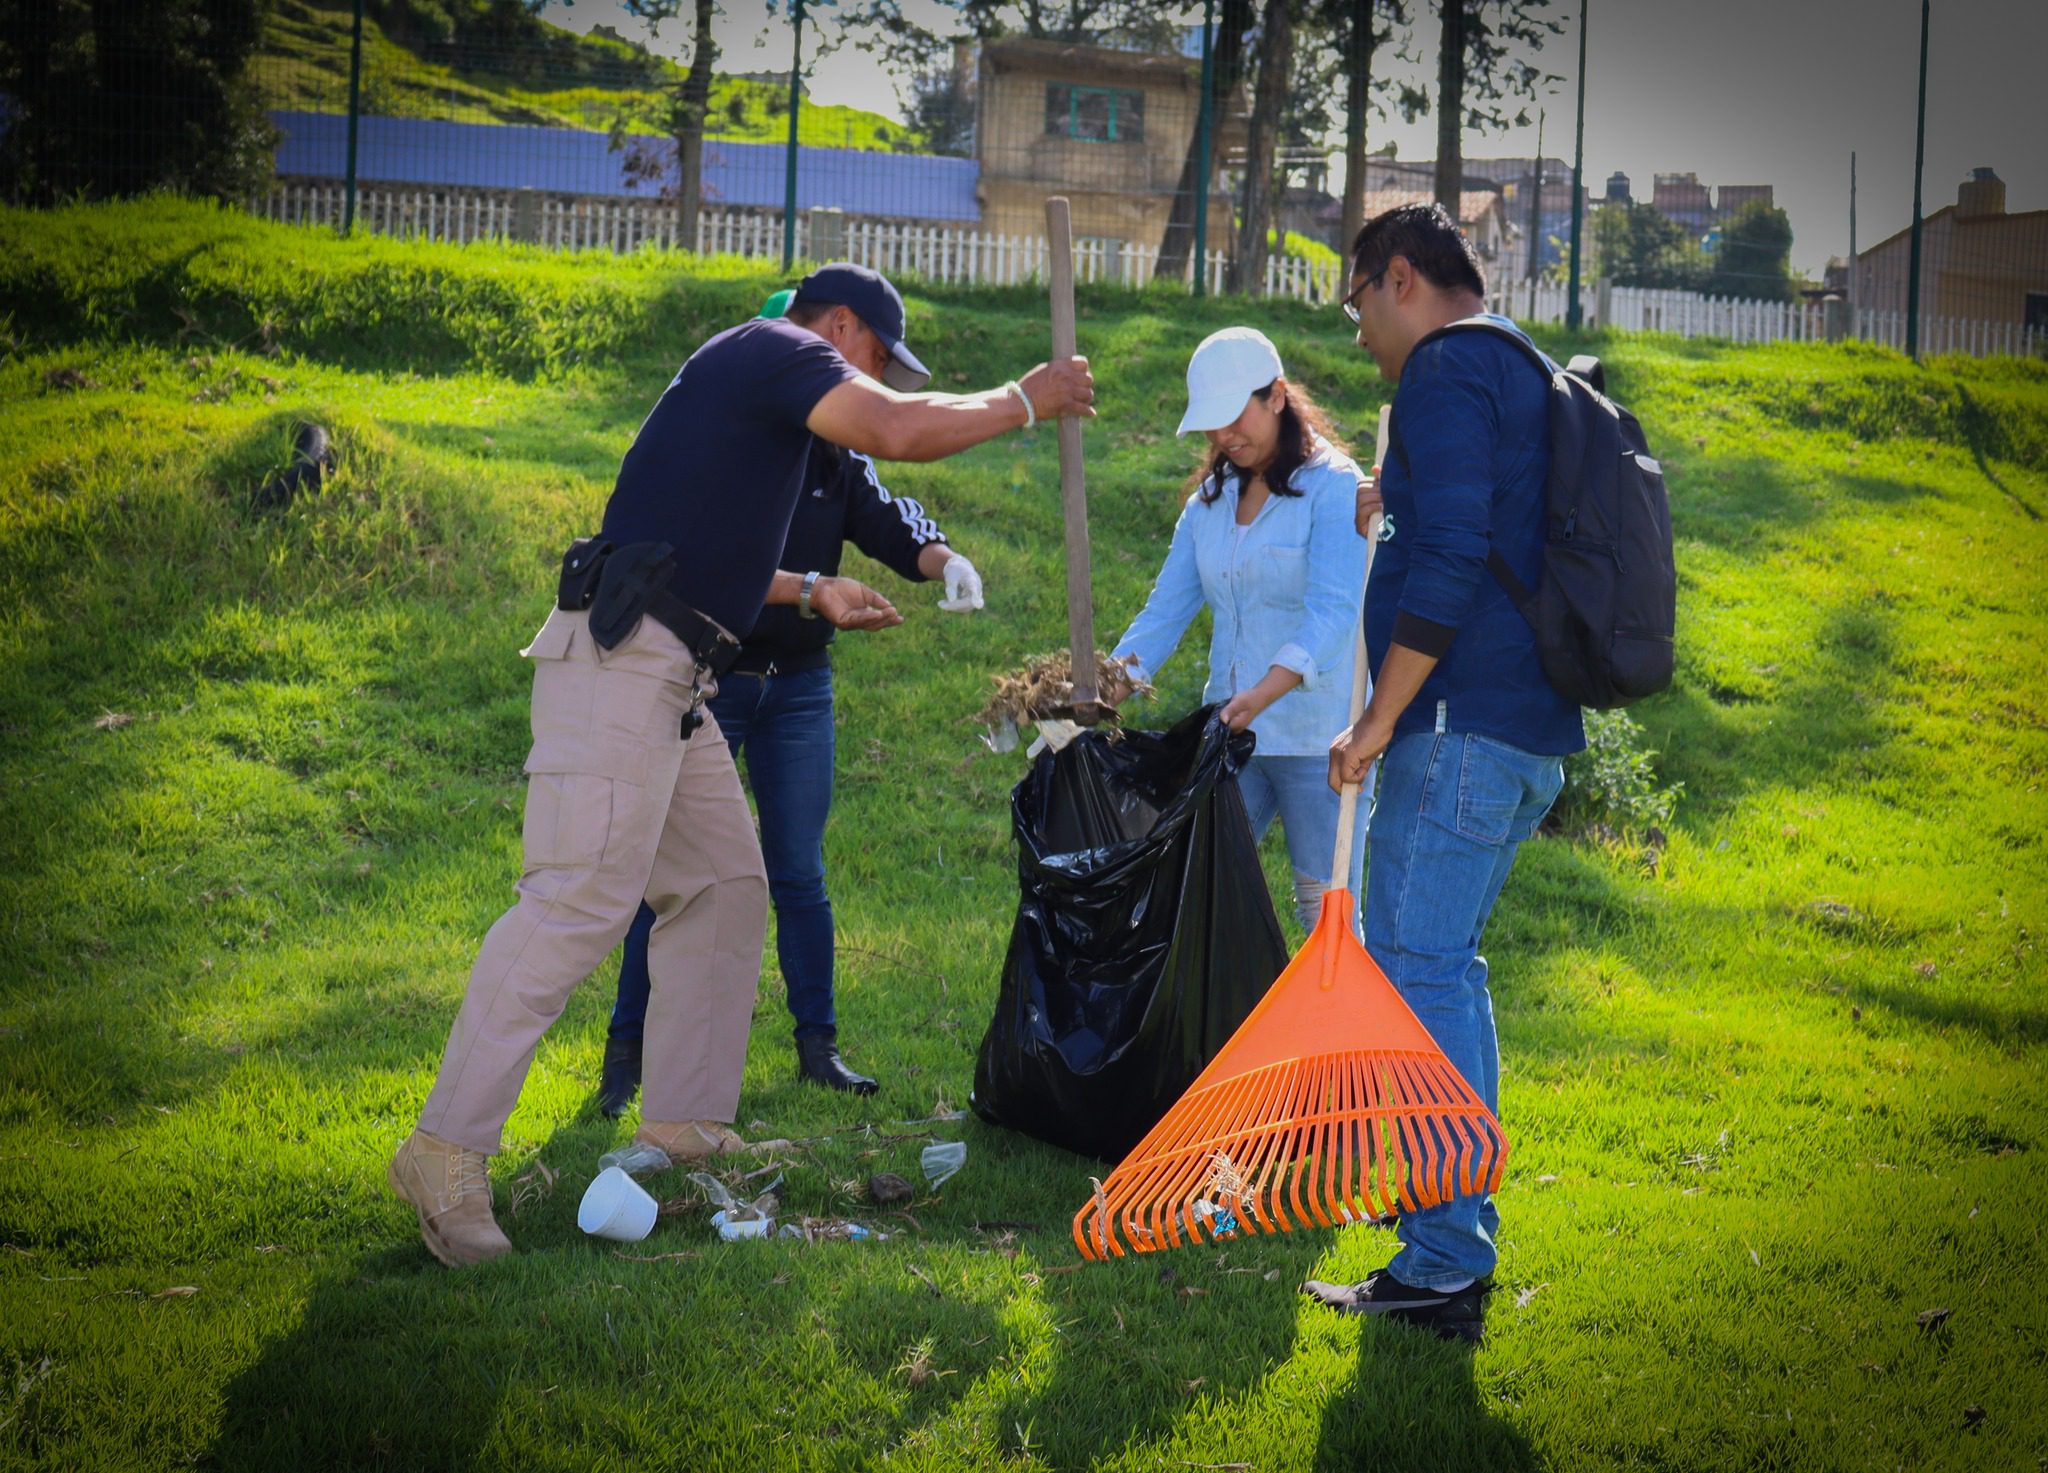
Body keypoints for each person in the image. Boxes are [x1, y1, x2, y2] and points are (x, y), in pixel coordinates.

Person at [388, 262, 1093, 1267]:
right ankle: (444, 1149)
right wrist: (1026, 400)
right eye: (876, 361)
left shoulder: (756, 398)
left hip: (679, 676)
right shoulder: (777, 351)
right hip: (624, 665)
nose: (875, 381)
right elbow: (897, 429)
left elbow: (706, 548)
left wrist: (813, 591)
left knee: (723, 883)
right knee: (575, 901)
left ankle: (680, 1118)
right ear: (840, 328)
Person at [1301, 203, 1585, 1340]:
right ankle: (1447, 1235)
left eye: (1356, 302)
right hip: (1518, 729)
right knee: (1443, 976)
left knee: (1417, 980)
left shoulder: (1443, 371)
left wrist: (1375, 717)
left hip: (1460, 728)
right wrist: (1397, 500)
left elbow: (1460, 556)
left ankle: (1442, 1266)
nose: (1358, 333)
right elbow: (1472, 523)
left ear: (1398, 277)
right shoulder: (1515, 364)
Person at [597, 296, 985, 1109]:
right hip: (714, 678)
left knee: (798, 872)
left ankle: (818, 1046)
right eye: (869, 358)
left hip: (799, 690)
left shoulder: (837, 451)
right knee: (665, 875)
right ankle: (625, 1057)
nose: (865, 379)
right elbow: (695, 560)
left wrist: (942, 558)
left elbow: (886, 515)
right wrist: (811, 589)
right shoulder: (731, 443)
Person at [1106, 326, 1370, 933]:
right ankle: (1229, 1025)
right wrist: (1105, 687)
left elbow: (1333, 614)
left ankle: (1334, 1029)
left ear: (1276, 396)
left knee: (1323, 912)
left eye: (1235, 417)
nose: (1225, 436)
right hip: (1230, 740)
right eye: (1212, 424)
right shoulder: (1207, 503)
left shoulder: (1334, 487)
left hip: (1317, 741)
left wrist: (1262, 693)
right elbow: (1163, 615)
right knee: (1201, 899)